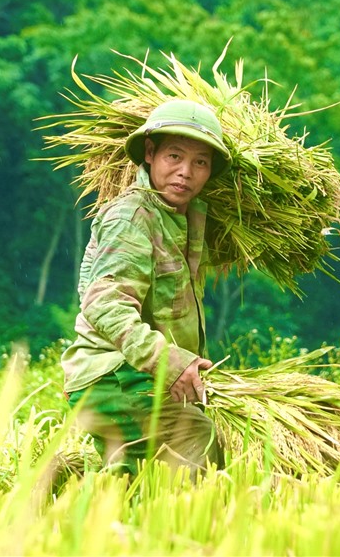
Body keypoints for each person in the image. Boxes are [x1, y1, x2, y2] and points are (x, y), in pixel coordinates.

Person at [61, 99, 231, 476]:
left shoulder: (189, 220)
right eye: (174, 156)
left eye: (200, 162)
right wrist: (170, 362)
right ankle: (185, 530)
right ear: (150, 154)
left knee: (135, 480)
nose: (185, 172)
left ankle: (68, 493)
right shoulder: (132, 217)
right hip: (115, 377)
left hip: (135, 380)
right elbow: (105, 304)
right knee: (198, 439)